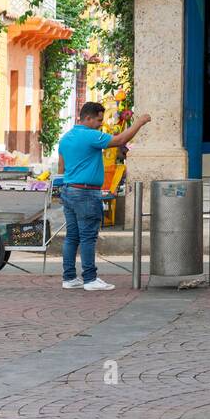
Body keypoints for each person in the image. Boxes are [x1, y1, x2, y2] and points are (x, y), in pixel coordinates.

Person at [57, 102, 150, 291]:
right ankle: (90, 279)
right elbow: (120, 139)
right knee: (88, 236)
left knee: (72, 237)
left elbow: (61, 167)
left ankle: (69, 277)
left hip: (69, 189)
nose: (100, 124)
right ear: (88, 118)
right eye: (99, 120)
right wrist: (139, 122)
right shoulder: (90, 135)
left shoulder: (66, 138)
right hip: (86, 192)